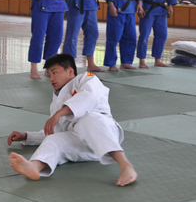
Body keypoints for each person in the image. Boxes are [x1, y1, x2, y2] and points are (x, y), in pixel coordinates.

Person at [7, 53, 137, 186]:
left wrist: (59, 113)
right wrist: (26, 136)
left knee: (88, 119)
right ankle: (34, 166)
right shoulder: (56, 102)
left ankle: (125, 165)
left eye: (55, 72)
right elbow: (55, 131)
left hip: (104, 133)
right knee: (53, 139)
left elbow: (89, 96)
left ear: (70, 71)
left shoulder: (86, 79)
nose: (51, 78)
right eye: (49, 74)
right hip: (84, 146)